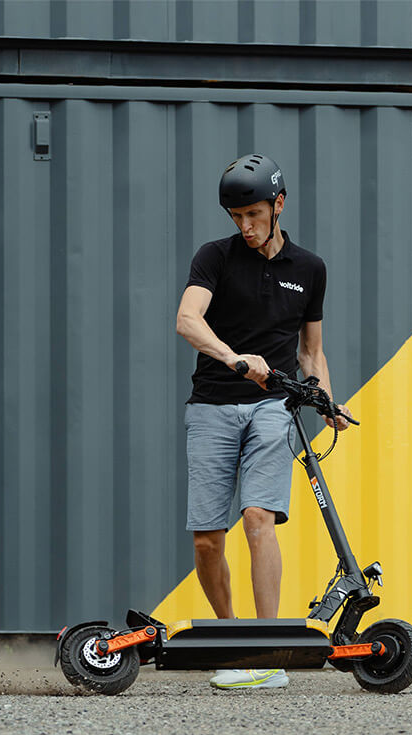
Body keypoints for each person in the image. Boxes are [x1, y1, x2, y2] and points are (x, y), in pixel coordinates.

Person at [175, 154, 352, 690]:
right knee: (208, 537)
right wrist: (234, 359)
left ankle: (264, 651)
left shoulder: (309, 269)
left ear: (278, 204)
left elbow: (311, 353)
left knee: (257, 518)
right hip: (211, 405)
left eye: (253, 213)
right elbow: (187, 319)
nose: (244, 226)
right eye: (235, 216)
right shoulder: (215, 258)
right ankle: (231, 643)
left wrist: (326, 399)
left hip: (272, 409)